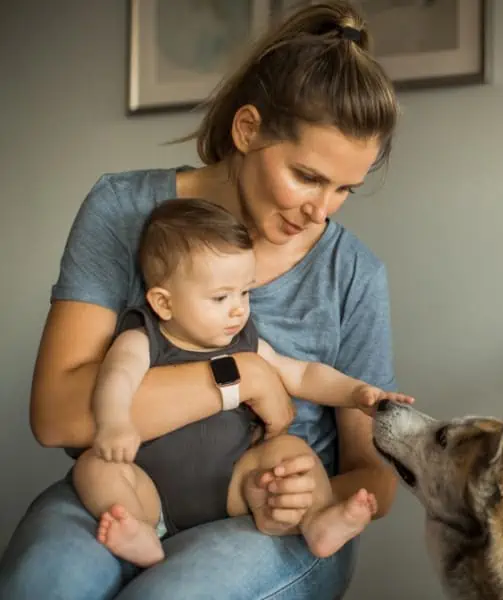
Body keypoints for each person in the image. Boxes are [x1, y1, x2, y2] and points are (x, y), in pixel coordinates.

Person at [0, 2, 404, 598]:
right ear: (248, 130)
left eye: (345, 188)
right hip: (131, 487)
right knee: (45, 582)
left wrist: (318, 495)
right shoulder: (124, 211)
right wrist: (237, 375)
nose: (320, 210)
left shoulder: (354, 273)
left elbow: (374, 478)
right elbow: (57, 415)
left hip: (264, 510)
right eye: (307, 176)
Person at [74, 197, 414, 568]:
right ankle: (139, 529)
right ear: (163, 303)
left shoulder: (245, 340)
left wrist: (354, 393)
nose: (238, 309)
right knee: (94, 467)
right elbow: (116, 378)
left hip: (236, 484)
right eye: (220, 297)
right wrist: (114, 423)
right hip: (150, 489)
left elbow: (301, 373)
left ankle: (316, 519)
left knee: (291, 451)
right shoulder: (142, 339)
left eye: (245, 292)